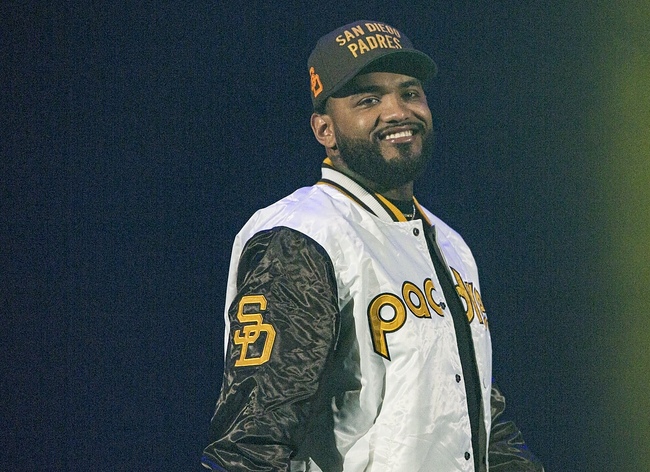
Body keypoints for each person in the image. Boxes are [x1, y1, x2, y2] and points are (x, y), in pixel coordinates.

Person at [202, 19, 544, 472]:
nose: (398, 111)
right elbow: (251, 444)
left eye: (410, 92)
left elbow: (477, 415)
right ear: (325, 130)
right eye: (368, 99)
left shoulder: (452, 245)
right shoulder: (304, 236)